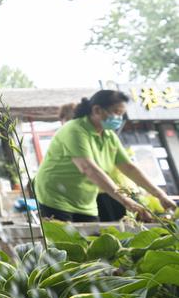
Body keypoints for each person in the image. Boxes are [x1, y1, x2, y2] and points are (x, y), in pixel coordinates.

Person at [34, 90, 176, 222]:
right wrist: (125, 201)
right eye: (116, 112)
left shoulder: (109, 136)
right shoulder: (74, 130)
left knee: (93, 241)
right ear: (97, 110)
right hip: (55, 195)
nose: (119, 118)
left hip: (85, 200)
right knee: (65, 243)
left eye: (122, 114)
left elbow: (129, 168)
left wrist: (160, 195)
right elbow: (88, 168)